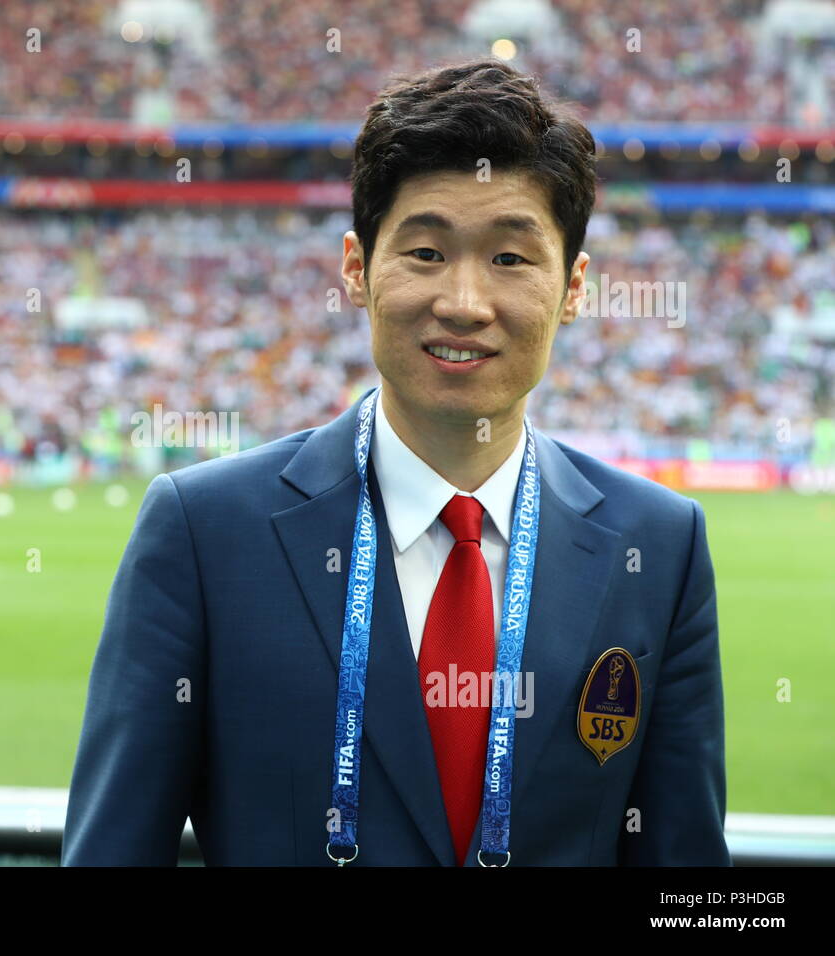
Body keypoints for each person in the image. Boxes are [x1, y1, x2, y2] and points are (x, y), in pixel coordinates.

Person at [61, 59, 729, 866]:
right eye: (424, 252)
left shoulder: (659, 547)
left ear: (575, 286)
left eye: (511, 259)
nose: (464, 302)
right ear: (356, 268)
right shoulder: (204, 535)